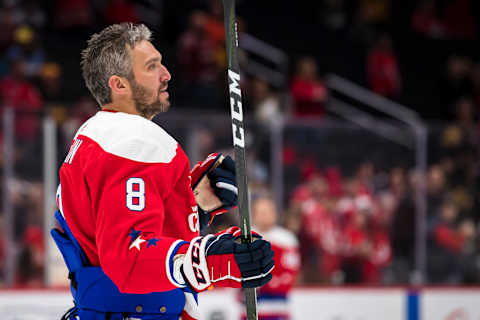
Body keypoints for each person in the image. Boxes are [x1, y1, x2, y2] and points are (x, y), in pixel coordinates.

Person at [52, 23, 274, 320]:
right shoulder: (132, 140)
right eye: (152, 66)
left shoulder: (94, 135)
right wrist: (210, 260)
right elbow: (128, 259)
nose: (166, 74)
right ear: (119, 85)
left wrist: (190, 204)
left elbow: (106, 233)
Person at [245, 195, 300, 320]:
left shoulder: (286, 239)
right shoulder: (244, 238)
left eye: (268, 211)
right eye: (261, 212)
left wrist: (264, 283)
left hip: (277, 307)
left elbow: (290, 274)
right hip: (248, 308)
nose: (265, 216)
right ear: (253, 215)